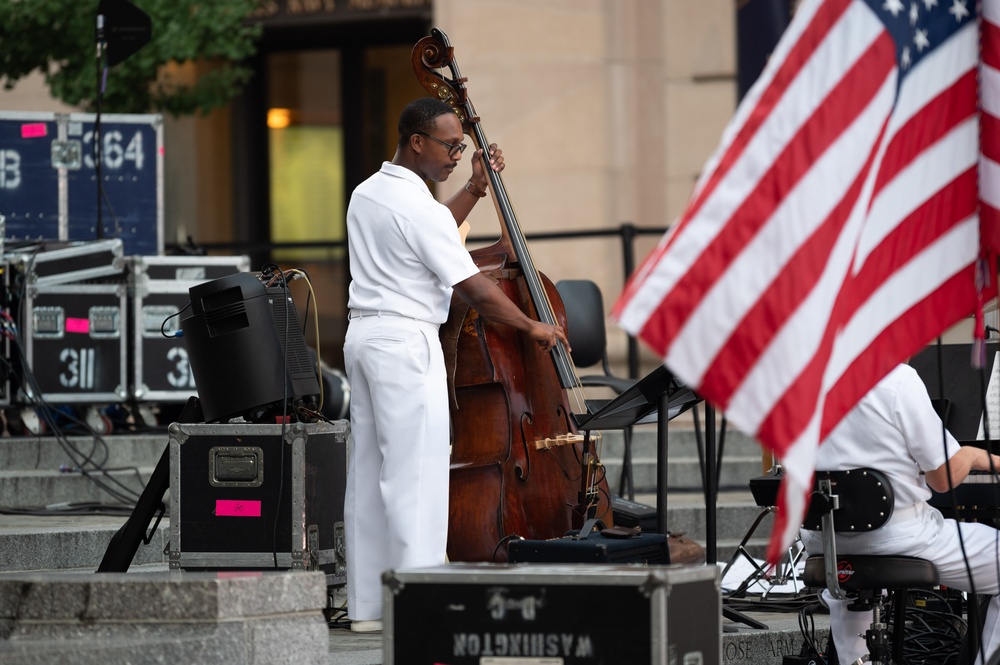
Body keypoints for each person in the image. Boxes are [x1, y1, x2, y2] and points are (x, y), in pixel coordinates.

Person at [342, 97, 569, 632]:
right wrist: (533, 326)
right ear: (416, 141)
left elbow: (432, 231)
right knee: (415, 477)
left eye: (460, 147)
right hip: (404, 340)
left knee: (369, 475)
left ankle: (370, 609)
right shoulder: (414, 205)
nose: (455, 155)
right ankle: (422, 609)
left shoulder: (368, 192)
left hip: (364, 336)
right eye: (450, 146)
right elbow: (474, 287)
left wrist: (473, 187)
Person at [800, 363, 1000, 664]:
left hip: (824, 536)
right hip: (898, 535)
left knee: (849, 587)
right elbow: (943, 477)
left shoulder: (802, 379)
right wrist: (976, 456)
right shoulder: (896, 377)